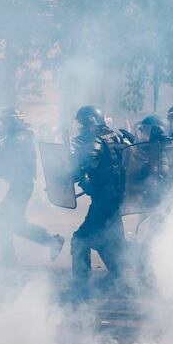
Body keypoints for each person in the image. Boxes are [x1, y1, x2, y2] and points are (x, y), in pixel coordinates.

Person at [0, 107, 64, 267]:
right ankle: (49, 242)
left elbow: (11, 162)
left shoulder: (19, 139)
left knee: (4, 221)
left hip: (21, 185)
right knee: (10, 222)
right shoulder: (20, 136)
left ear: (13, 121)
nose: (3, 125)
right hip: (20, 184)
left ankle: (49, 242)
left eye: (6, 121)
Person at [70, 105, 132, 289]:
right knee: (109, 241)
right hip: (113, 198)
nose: (80, 128)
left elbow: (80, 167)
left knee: (80, 240)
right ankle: (121, 279)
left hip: (105, 200)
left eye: (82, 124)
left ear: (90, 123)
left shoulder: (96, 142)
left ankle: (80, 288)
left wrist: (73, 176)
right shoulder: (115, 136)